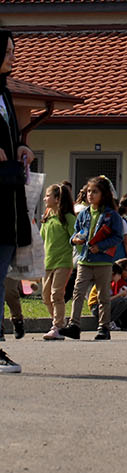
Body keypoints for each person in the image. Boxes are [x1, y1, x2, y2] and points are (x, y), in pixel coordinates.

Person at [0, 30, 35, 371]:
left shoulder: (5, 95)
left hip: (8, 201)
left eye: (13, 50)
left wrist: (20, 147)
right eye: (7, 51)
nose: (12, 56)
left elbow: (10, 138)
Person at [65, 175, 127, 341]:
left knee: (103, 296)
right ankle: (74, 325)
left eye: (95, 192)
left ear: (103, 194)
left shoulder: (111, 215)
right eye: (88, 191)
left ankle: (104, 327)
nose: (90, 195)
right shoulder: (84, 213)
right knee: (78, 293)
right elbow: (75, 233)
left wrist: (100, 246)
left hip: (103, 261)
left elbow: (117, 237)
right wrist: (75, 240)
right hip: (85, 260)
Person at [39, 183, 75, 340]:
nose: (45, 198)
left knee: (56, 295)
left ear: (57, 199)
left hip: (63, 262)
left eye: (48, 195)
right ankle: (59, 321)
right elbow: (42, 240)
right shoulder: (47, 217)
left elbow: (76, 238)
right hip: (47, 263)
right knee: (46, 297)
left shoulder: (67, 218)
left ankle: (57, 326)